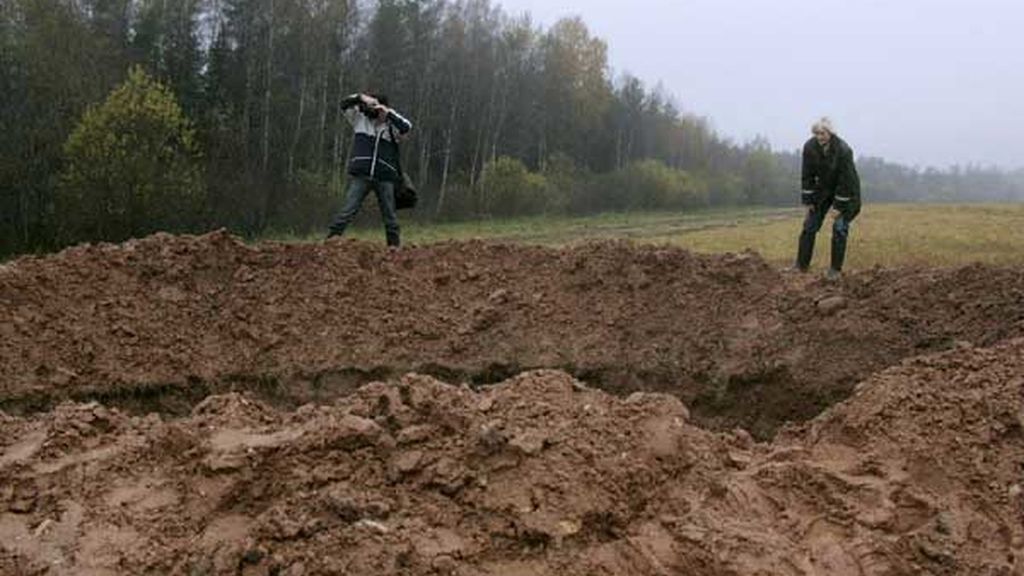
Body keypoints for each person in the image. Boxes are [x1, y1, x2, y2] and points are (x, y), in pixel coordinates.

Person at [327, 93, 413, 247]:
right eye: (372, 107)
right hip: (362, 174)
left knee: (390, 216)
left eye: (377, 108)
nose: (374, 111)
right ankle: (331, 241)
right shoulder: (360, 121)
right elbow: (344, 104)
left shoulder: (392, 128)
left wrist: (388, 113)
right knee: (348, 210)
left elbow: (406, 126)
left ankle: (394, 248)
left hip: (385, 176)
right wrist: (361, 97)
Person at [795, 117, 861, 279]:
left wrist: (838, 207)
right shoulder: (809, 147)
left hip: (847, 192)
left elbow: (846, 181)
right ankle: (801, 266)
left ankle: (835, 271)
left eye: (823, 133)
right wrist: (808, 201)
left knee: (839, 228)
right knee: (809, 226)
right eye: (816, 133)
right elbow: (807, 175)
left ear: (830, 133)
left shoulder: (843, 150)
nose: (819, 137)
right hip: (823, 190)